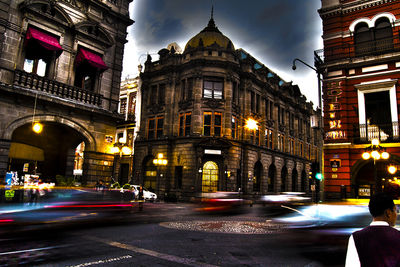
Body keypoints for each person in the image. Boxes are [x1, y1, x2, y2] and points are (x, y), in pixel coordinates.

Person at [345, 193, 400, 267]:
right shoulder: (398, 236)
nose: (396, 214)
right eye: (395, 210)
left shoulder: (356, 237)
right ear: (388, 213)